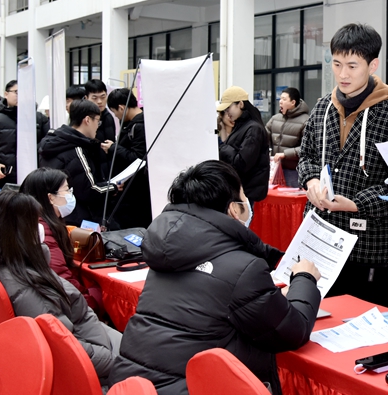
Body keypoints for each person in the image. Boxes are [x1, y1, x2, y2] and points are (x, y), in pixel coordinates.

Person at [108, 160, 321, 394]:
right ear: (233, 209)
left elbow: (212, 299)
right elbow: (292, 331)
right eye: (244, 196)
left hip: (131, 385)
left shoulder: (168, 252)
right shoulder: (242, 267)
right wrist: (304, 278)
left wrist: (270, 295)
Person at [297, 23, 388, 307]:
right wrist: (311, 181)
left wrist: (357, 204)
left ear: (372, 65)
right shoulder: (322, 108)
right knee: (314, 321)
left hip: (366, 248)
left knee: (363, 324)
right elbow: (306, 157)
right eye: (337, 64)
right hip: (319, 240)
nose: (343, 74)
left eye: (352, 66)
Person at [0, 190, 120, 383]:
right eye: (35, 222)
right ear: (21, 231)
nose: (40, 227)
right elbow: (66, 348)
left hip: (91, 335)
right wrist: (119, 362)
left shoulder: (0, 263)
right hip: (94, 358)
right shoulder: (27, 286)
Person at [20, 167, 104, 315]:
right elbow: (62, 280)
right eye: (66, 190)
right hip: (61, 307)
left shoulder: (28, 221)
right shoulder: (42, 233)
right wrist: (94, 305)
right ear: (51, 198)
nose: (70, 195)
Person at [38, 100, 119, 226]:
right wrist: (113, 187)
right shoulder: (76, 149)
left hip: (59, 213)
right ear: (87, 120)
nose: (97, 126)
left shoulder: (55, 141)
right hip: (79, 217)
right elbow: (88, 190)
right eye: (97, 121)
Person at [0, 80, 49, 192]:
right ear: (6, 94)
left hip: (34, 178)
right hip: (3, 178)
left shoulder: (40, 119)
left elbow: (49, 142)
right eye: (17, 92)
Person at [106, 88, 152, 229]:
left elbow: (138, 159)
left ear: (121, 108)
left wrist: (113, 148)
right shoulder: (134, 123)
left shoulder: (139, 126)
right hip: (132, 187)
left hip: (136, 189)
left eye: (115, 112)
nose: (116, 116)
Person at [217, 87, 270, 204]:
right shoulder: (242, 126)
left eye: (228, 108)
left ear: (240, 104)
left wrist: (223, 147)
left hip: (246, 192)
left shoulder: (253, 129)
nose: (227, 113)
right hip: (239, 190)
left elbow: (242, 163)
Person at [265, 87, 309, 188]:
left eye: (284, 99)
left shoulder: (306, 121)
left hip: (294, 172)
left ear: (293, 102)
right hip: (275, 169)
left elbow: (307, 148)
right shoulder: (275, 119)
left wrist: (285, 154)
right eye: (280, 98)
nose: (280, 102)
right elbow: (262, 136)